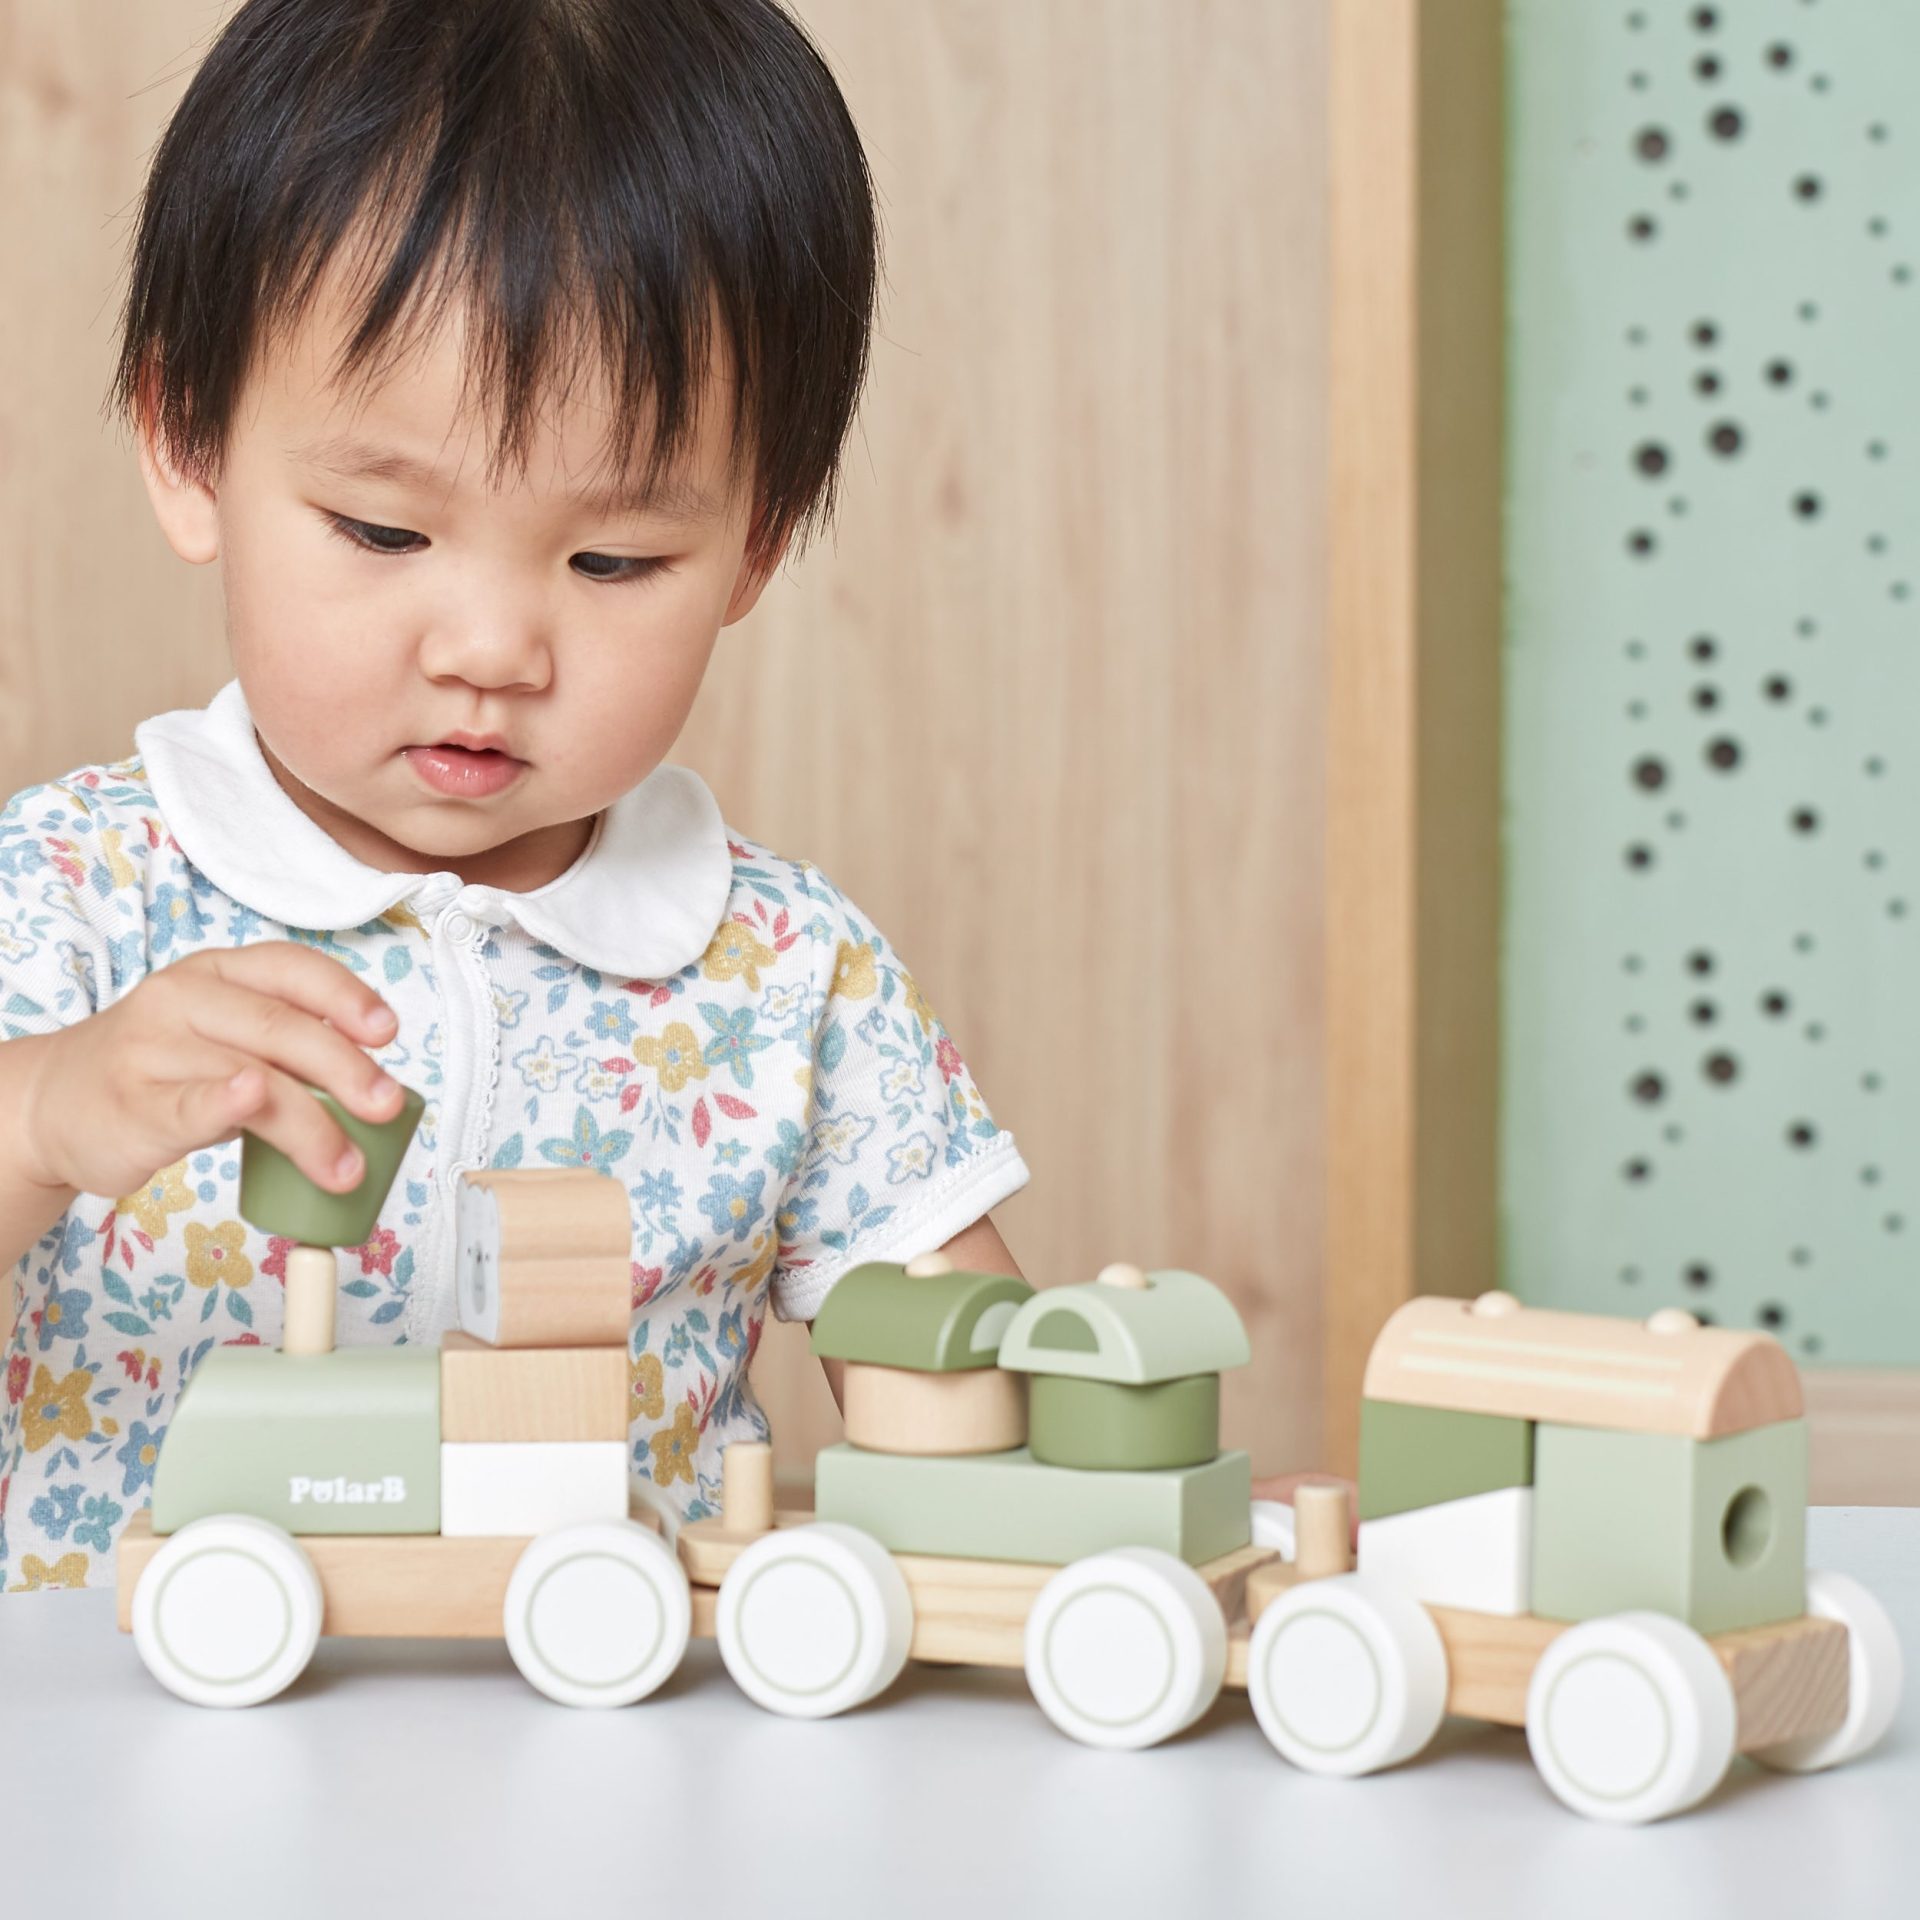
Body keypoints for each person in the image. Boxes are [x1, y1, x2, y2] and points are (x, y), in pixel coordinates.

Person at [0, 0, 1035, 1592]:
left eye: (614, 559)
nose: (491, 648)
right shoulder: (70, 887)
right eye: (384, 533)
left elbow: (952, 1391)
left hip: (616, 1762)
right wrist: (47, 1117)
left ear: (758, 542)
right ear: (187, 443)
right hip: (120, 1752)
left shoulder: (785, 977)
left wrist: (1065, 1492)